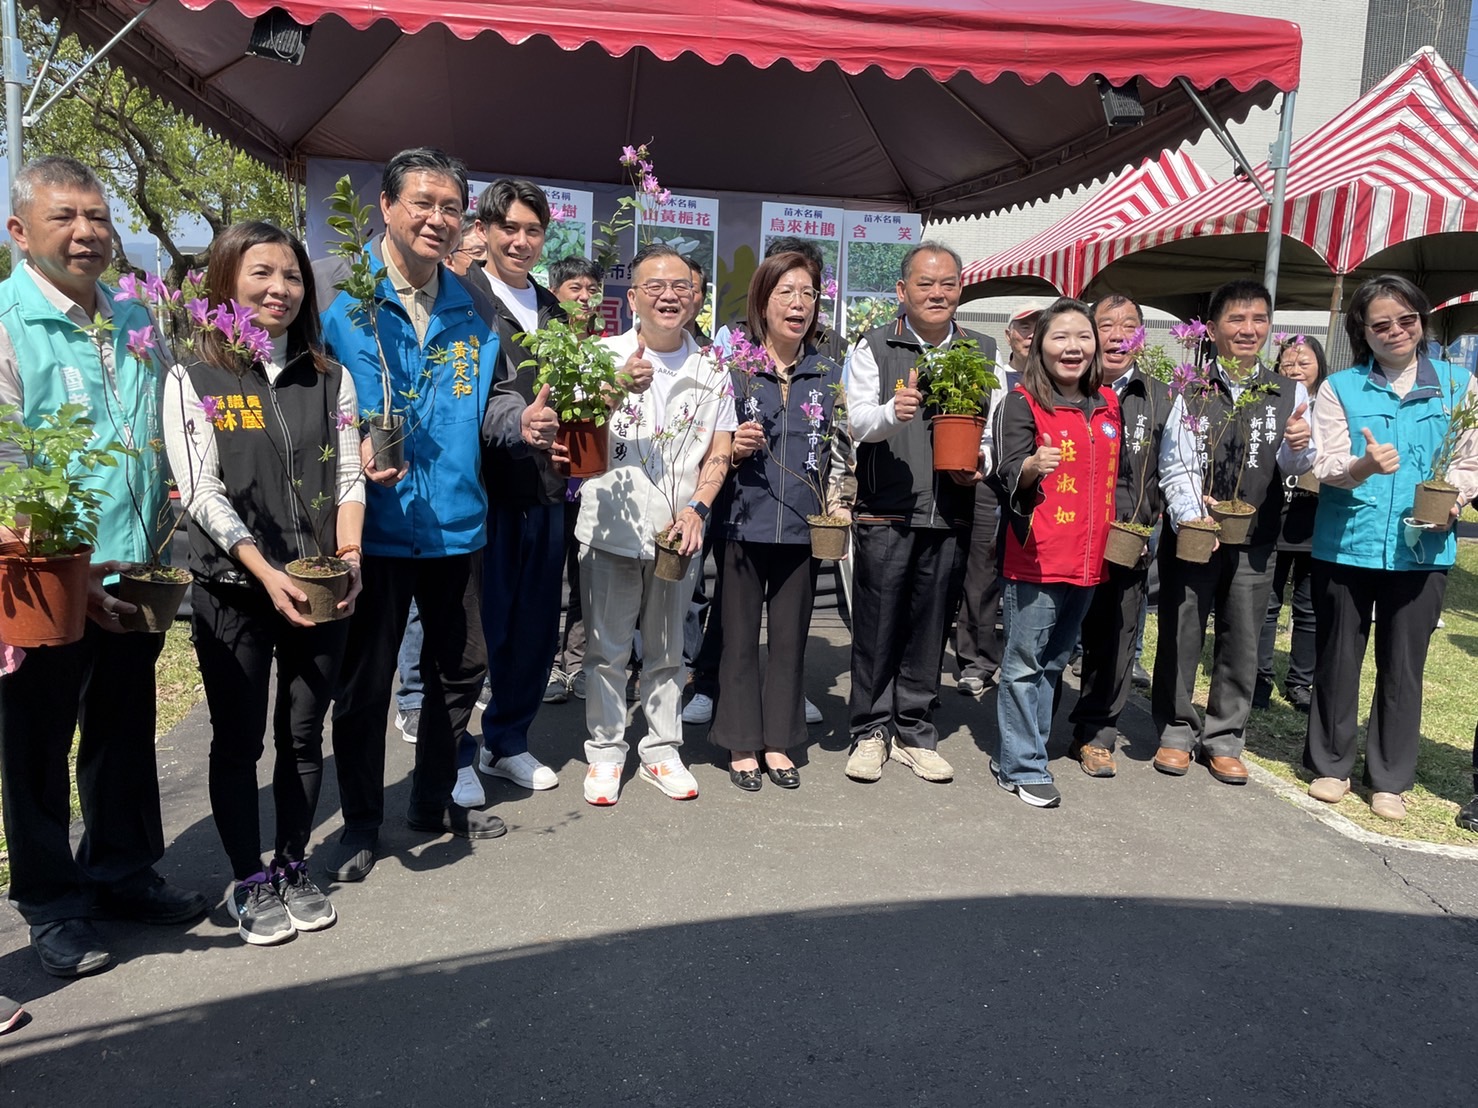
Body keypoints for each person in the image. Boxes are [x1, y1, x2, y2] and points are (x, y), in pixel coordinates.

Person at [0, 155, 208, 977]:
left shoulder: (131, 316)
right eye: (65, 217)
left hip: (134, 565)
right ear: (20, 232)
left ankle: (122, 872)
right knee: (37, 744)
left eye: (98, 216)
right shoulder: (9, 322)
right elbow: (7, 460)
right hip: (46, 578)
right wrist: (67, 569)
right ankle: (52, 904)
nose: (88, 232)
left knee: (123, 729)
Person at [164, 221, 365, 944]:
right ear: (226, 281)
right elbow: (201, 490)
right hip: (234, 589)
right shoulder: (193, 377)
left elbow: (349, 473)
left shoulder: (330, 376)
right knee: (239, 740)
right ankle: (248, 877)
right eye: (262, 273)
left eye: (292, 276)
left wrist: (351, 555)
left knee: (304, 735)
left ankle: (292, 863)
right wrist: (264, 570)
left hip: (320, 585)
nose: (280, 289)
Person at [316, 147, 505, 881]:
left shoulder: (474, 305)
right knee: (364, 685)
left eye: (451, 207)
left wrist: (521, 423)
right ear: (387, 208)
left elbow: (495, 403)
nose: (437, 218)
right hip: (372, 528)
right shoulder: (340, 295)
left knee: (461, 668)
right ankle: (362, 822)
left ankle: (431, 797)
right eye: (422, 203)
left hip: (457, 522)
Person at [1303, 275, 1478, 821]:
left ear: (1422, 321)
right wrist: (1362, 466)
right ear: (1363, 331)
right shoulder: (1341, 388)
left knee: (1404, 666)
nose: (1395, 331)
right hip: (1347, 542)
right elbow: (1324, 462)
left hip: (1423, 550)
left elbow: (1470, 457)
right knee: (1338, 657)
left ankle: (1389, 779)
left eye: (1406, 319)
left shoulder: (1458, 385)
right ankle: (1330, 764)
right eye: (1381, 324)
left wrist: (1455, 498)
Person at [576, 243, 736, 805]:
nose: (669, 296)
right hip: (611, 528)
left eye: (680, 287)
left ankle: (662, 750)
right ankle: (605, 751)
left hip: (677, 535)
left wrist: (698, 508)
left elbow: (720, 449)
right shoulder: (601, 355)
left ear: (695, 297)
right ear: (633, 298)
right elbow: (575, 432)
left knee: (669, 652)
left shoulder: (713, 368)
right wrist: (613, 386)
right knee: (607, 650)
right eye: (655, 287)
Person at [843, 242, 999, 784]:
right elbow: (857, 422)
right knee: (877, 624)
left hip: (951, 510)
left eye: (948, 284)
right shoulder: (875, 345)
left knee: (931, 626)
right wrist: (893, 412)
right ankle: (869, 730)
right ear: (902, 290)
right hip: (887, 511)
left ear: (961, 289)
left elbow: (993, 429)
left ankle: (913, 730)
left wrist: (981, 460)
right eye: (925, 283)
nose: (937, 293)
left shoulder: (982, 350)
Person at [1152, 280, 1314, 785]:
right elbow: (1174, 461)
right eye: (1236, 319)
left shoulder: (1289, 391)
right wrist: (1190, 515)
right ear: (1213, 328)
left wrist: (1300, 445)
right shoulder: (1190, 387)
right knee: (1183, 629)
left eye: (1259, 319)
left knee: (1242, 637)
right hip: (1195, 533)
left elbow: (1296, 466)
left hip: (1257, 536)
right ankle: (1176, 730)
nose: (1248, 329)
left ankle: (1224, 739)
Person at [709, 251, 848, 791]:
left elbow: (842, 450)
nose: (798, 304)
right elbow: (704, 445)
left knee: (790, 641)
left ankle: (778, 742)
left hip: (802, 529)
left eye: (808, 294)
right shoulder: (734, 370)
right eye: (786, 292)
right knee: (739, 639)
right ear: (762, 302)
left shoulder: (827, 374)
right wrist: (733, 449)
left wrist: (839, 503)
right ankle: (741, 743)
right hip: (741, 523)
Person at [988, 298, 1120, 807]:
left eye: (1083, 337)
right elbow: (1006, 472)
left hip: (1089, 559)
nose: (1073, 347)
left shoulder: (1107, 405)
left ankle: (1026, 752)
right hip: (1037, 558)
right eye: (1060, 336)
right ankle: (1022, 765)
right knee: (1024, 664)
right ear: (1040, 345)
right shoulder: (1021, 402)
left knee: (1054, 662)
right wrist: (1030, 467)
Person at [464, 179, 569, 802]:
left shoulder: (554, 310)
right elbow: (472, 399)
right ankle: (454, 752)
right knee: (474, 630)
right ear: (483, 230)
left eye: (533, 230)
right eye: (509, 228)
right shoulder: (462, 300)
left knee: (533, 626)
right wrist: (516, 423)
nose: (521, 241)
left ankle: (507, 742)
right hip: (482, 493)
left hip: (545, 489)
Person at [1067, 294, 1172, 778]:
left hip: (1128, 540)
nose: (1117, 336)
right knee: (1054, 637)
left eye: (1128, 326)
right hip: (1068, 538)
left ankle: (1096, 733)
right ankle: (1030, 730)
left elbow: (1177, 468)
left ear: (1141, 337)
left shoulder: (1161, 397)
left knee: (1116, 638)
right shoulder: (1068, 389)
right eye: (1105, 325)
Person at [954, 301, 1041, 696]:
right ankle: (977, 660)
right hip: (991, 482)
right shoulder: (991, 376)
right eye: (1023, 327)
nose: (1030, 335)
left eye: (1038, 327)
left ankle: (1025, 659)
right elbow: (983, 432)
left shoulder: (1056, 381)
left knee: (1035, 572)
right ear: (1009, 335)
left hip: (1039, 487)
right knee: (982, 573)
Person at [1254, 334, 1329, 713]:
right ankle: (1259, 677)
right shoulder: (1271, 399)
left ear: (1320, 366)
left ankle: (1301, 682)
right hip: (1274, 512)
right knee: (1267, 602)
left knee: (1309, 605)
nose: (1296, 369)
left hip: (1315, 517)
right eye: (1288, 363)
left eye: (1304, 363)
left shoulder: (1331, 404)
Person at [544, 255, 606, 705]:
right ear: (555, 293)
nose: (585, 298)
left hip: (595, 481)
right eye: (575, 289)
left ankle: (579, 661)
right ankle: (546, 662)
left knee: (587, 578)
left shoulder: (607, 349)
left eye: (592, 290)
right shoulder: (543, 346)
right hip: (551, 480)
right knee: (548, 577)